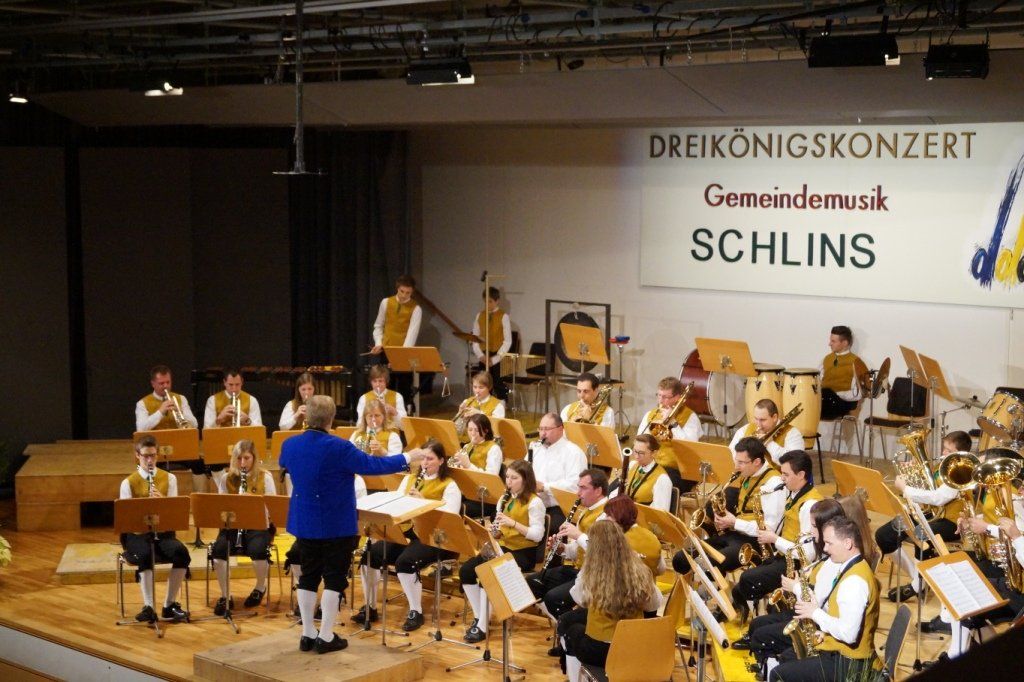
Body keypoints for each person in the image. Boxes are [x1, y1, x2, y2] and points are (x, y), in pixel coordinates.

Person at [280, 394, 424, 654]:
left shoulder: (289, 445)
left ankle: (307, 634)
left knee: (308, 576)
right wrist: (407, 456)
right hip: (335, 523)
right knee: (334, 577)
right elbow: (373, 465)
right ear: (331, 419)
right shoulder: (339, 447)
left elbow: (285, 465)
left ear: (307, 417)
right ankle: (325, 636)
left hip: (305, 521)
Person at [355, 439, 461, 633]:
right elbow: (398, 505)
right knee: (370, 555)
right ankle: (370, 607)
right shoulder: (409, 479)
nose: (425, 463)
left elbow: (450, 518)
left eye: (430, 459)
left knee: (406, 562)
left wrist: (423, 503)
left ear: (441, 461)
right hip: (409, 530)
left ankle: (415, 611)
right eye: (423, 458)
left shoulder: (449, 485)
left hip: (435, 537)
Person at [769, 516, 881, 681]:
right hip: (843, 654)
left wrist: (814, 613)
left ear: (848, 543)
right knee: (787, 659)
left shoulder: (854, 582)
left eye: (829, 543)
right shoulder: (852, 566)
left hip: (849, 664)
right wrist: (824, 632)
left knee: (778, 674)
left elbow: (849, 634)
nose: (825, 548)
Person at [743, 497, 847, 667]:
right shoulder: (824, 553)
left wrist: (796, 587)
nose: (810, 531)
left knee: (761, 636)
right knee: (757, 624)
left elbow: (819, 602)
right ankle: (769, 666)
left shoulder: (835, 560)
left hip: (818, 624)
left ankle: (772, 669)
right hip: (809, 614)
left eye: (813, 526)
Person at [875, 430, 969, 612]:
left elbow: (939, 498)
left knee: (921, 534)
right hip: (932, 514)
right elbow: (927, 489)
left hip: (952, 522)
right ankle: (918, 579)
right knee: (884, 535)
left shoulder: (961, 472)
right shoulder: (942, 466)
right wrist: (912, 475)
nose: (943, 453)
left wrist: (906, 489)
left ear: (961, 454)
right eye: (944, 448)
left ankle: (917, 586)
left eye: (949, 451)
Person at [558, 520, 662, 682]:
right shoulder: (642, 570)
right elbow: (654, 604)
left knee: (572, 632)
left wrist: (587, 567)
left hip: (602, 650)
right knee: (573, 623)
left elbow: (578, 597)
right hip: (635, 646)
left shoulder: (591, 574)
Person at [731, 450, 823, 622]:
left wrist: (774, 539)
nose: (782, 478)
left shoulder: (810, 506)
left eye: (786, 474)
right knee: (740, 587)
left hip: (797, 565)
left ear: (801, 475)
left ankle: (759, 621)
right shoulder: (793, 493)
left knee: (748, 579)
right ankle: (747, 615)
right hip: (784, 555)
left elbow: (808, 554)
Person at [459, 459, 545, 642]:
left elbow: (537, 536)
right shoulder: (504, 498)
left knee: (487, 574)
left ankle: (482, 626)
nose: (509, 482)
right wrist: (493, 531)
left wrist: (513, 523)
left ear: (525, 480)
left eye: (514, 478)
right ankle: (480, 616)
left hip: (523, 552)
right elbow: (499, 532)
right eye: (507, 477)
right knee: (466, 570)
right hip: (501, 547)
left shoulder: (535, 502)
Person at [674, 438, 783, 574]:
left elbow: (770, 529)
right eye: (736, 461)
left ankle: (709, 585)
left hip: (757, 542)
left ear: (756, 462)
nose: (736, 467)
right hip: (735, 535)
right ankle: (699, 585)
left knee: (708, 564)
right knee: (681, 558)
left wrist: (735, 522)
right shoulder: (748, 473)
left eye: (741, 462)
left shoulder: (773, 483)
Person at [118, 435, 191, 623]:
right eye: (145, 456)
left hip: (163, 533)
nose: (149, 460)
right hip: (137, 535)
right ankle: (149, 607)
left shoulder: (169, 478)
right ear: (137, 455)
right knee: (145, 554)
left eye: (153, 455)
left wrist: (162, 503)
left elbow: (174, 515)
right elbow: (127, 520)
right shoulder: (128, 483)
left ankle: (169, 605)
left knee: (182, 553)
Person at [527, 469, 609, 626]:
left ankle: (570, 629)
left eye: (583, 488)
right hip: (578, 570)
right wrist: (562, 548)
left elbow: (601, 552)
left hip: (595, 576)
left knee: (553, 598)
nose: (578, 493)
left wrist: (578, 535)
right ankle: (563, 626)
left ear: (598, 490)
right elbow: (576, 551)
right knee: (533, 582)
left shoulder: (607, 515)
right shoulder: (586, 512)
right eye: (578, 487)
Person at [210, 439, 276, 614]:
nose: (242, 463)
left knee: (258, 551)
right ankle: (226, 595)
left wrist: (252, 501)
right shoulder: (226, 478)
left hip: (258, 525)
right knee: (218, 551)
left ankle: (260, 587)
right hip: (233, 526)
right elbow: (221, 507)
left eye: (246, 458)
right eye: (239, 459)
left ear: (254, 458)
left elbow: (272, 507)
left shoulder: (265, 477)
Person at [636, 377, 703, 492]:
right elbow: (640, 441)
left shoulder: (690, 417)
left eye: (665, 397)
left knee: (656, 486)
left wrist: (674, 424)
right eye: (659, 395)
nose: (661, 401)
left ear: (677, 398)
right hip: (653, 465)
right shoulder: (651, 415)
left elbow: (689, 448)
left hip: (680, 471)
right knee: (625, 481)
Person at [530, 412, 588, 533]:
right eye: (540, 429)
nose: (542, 433)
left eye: (547, 429)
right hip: (534, 502)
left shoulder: (574, 453)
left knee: (547, 528)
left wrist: (544, 487)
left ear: (560, 429)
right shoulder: (535, 448)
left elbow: (575, 485)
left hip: (559, 507)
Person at [369, 275, 420, 409]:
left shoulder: (416, 309)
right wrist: (378, 343)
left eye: (408, 293)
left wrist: (399, 357)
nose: (404, 295)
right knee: (385, 387)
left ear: (412, 292)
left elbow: (411, 336)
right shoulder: (386, 302)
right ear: (397, 288)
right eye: (402, 291)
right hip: (386, 352)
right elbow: (378, 326)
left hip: (403, 354)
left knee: (403, 389)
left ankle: (402, 417)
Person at [729, 399, 803, 466]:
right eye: (756, 419)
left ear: (774, 417)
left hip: (777, 476)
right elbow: (730, 455)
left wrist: (769, 444)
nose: (758, 424)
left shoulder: (792, 433)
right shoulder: (746, 429)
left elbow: (794, 463)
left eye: (763, 420)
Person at [610, 433, 672, 512]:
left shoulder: (662, 479)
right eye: (635, 451)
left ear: (654, 453)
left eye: (641, 453)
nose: (636, 457)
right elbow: (616, 493)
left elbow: (660, 513)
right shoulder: (632, 465)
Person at [471, 286, 512, 400]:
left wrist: (494, 360)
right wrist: (480, 355)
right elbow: (475, 338)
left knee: (498, 384)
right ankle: (483, 405)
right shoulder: (480, 315)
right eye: (485, 302)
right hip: (483, 356)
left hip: (497, 356)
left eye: (490, 302)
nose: (487, 305)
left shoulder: (503, 316)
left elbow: (507, 341)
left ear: (497, 301)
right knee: (482, 384)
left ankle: (502, 405)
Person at [819, 325, 864, 420]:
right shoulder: (826, 359)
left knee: (827, 393)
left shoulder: (856, 362)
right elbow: (817, 381)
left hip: (843, 404)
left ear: (844, 343)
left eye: (833, 341)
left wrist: (835, 394)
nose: (829, 344)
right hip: (825, 401)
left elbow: (857, 394)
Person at [135, 364, 198, 431]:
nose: (166, 386)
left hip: (178, 437)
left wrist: (181, 412)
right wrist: (160, 412)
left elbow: (195, 424)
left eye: (168, 382)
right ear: (153, 384)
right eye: (161, 383)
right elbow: (140, 428)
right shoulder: (142, 403)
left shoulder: (181, 398)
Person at [453, 371, 505, 437]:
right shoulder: (466, 402)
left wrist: (480, 414)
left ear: (489, 387)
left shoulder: (498, 405)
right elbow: (457, 431)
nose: (477, 391)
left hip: (486, 441)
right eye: (475, 387)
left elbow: (497, 430)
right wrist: (460, 415)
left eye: (481, 387)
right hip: (466, 441)